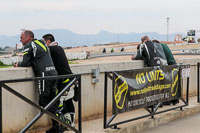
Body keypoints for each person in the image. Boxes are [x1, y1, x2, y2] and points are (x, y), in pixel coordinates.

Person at [14, 30, 67, 133]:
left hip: (44, 75)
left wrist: (17, 64)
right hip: (54, 73)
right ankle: (56, 127)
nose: (20, 39)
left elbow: (25, 62)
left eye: (21, 37)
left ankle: (63, 120)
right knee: (52, 102)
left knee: (44, 102)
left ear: (29, 37)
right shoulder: (41, 42)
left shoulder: (29, 45)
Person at [42, 34, 75, 132]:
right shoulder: (59, 48)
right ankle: (70, 124)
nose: (44, 45)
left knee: (59, 103)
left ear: (48, 41)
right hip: (70, 79)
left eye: (44, 42)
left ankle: (64, 125)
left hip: (64, 80)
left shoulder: (50, 50)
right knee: (68, 101)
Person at [152, 40, 178, 105]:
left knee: (167, 84)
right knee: (173, 83)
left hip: (169, 65)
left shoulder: (159, 46)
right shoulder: (164, 45)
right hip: (174, 64)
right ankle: (175, 100)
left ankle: (168, 101)